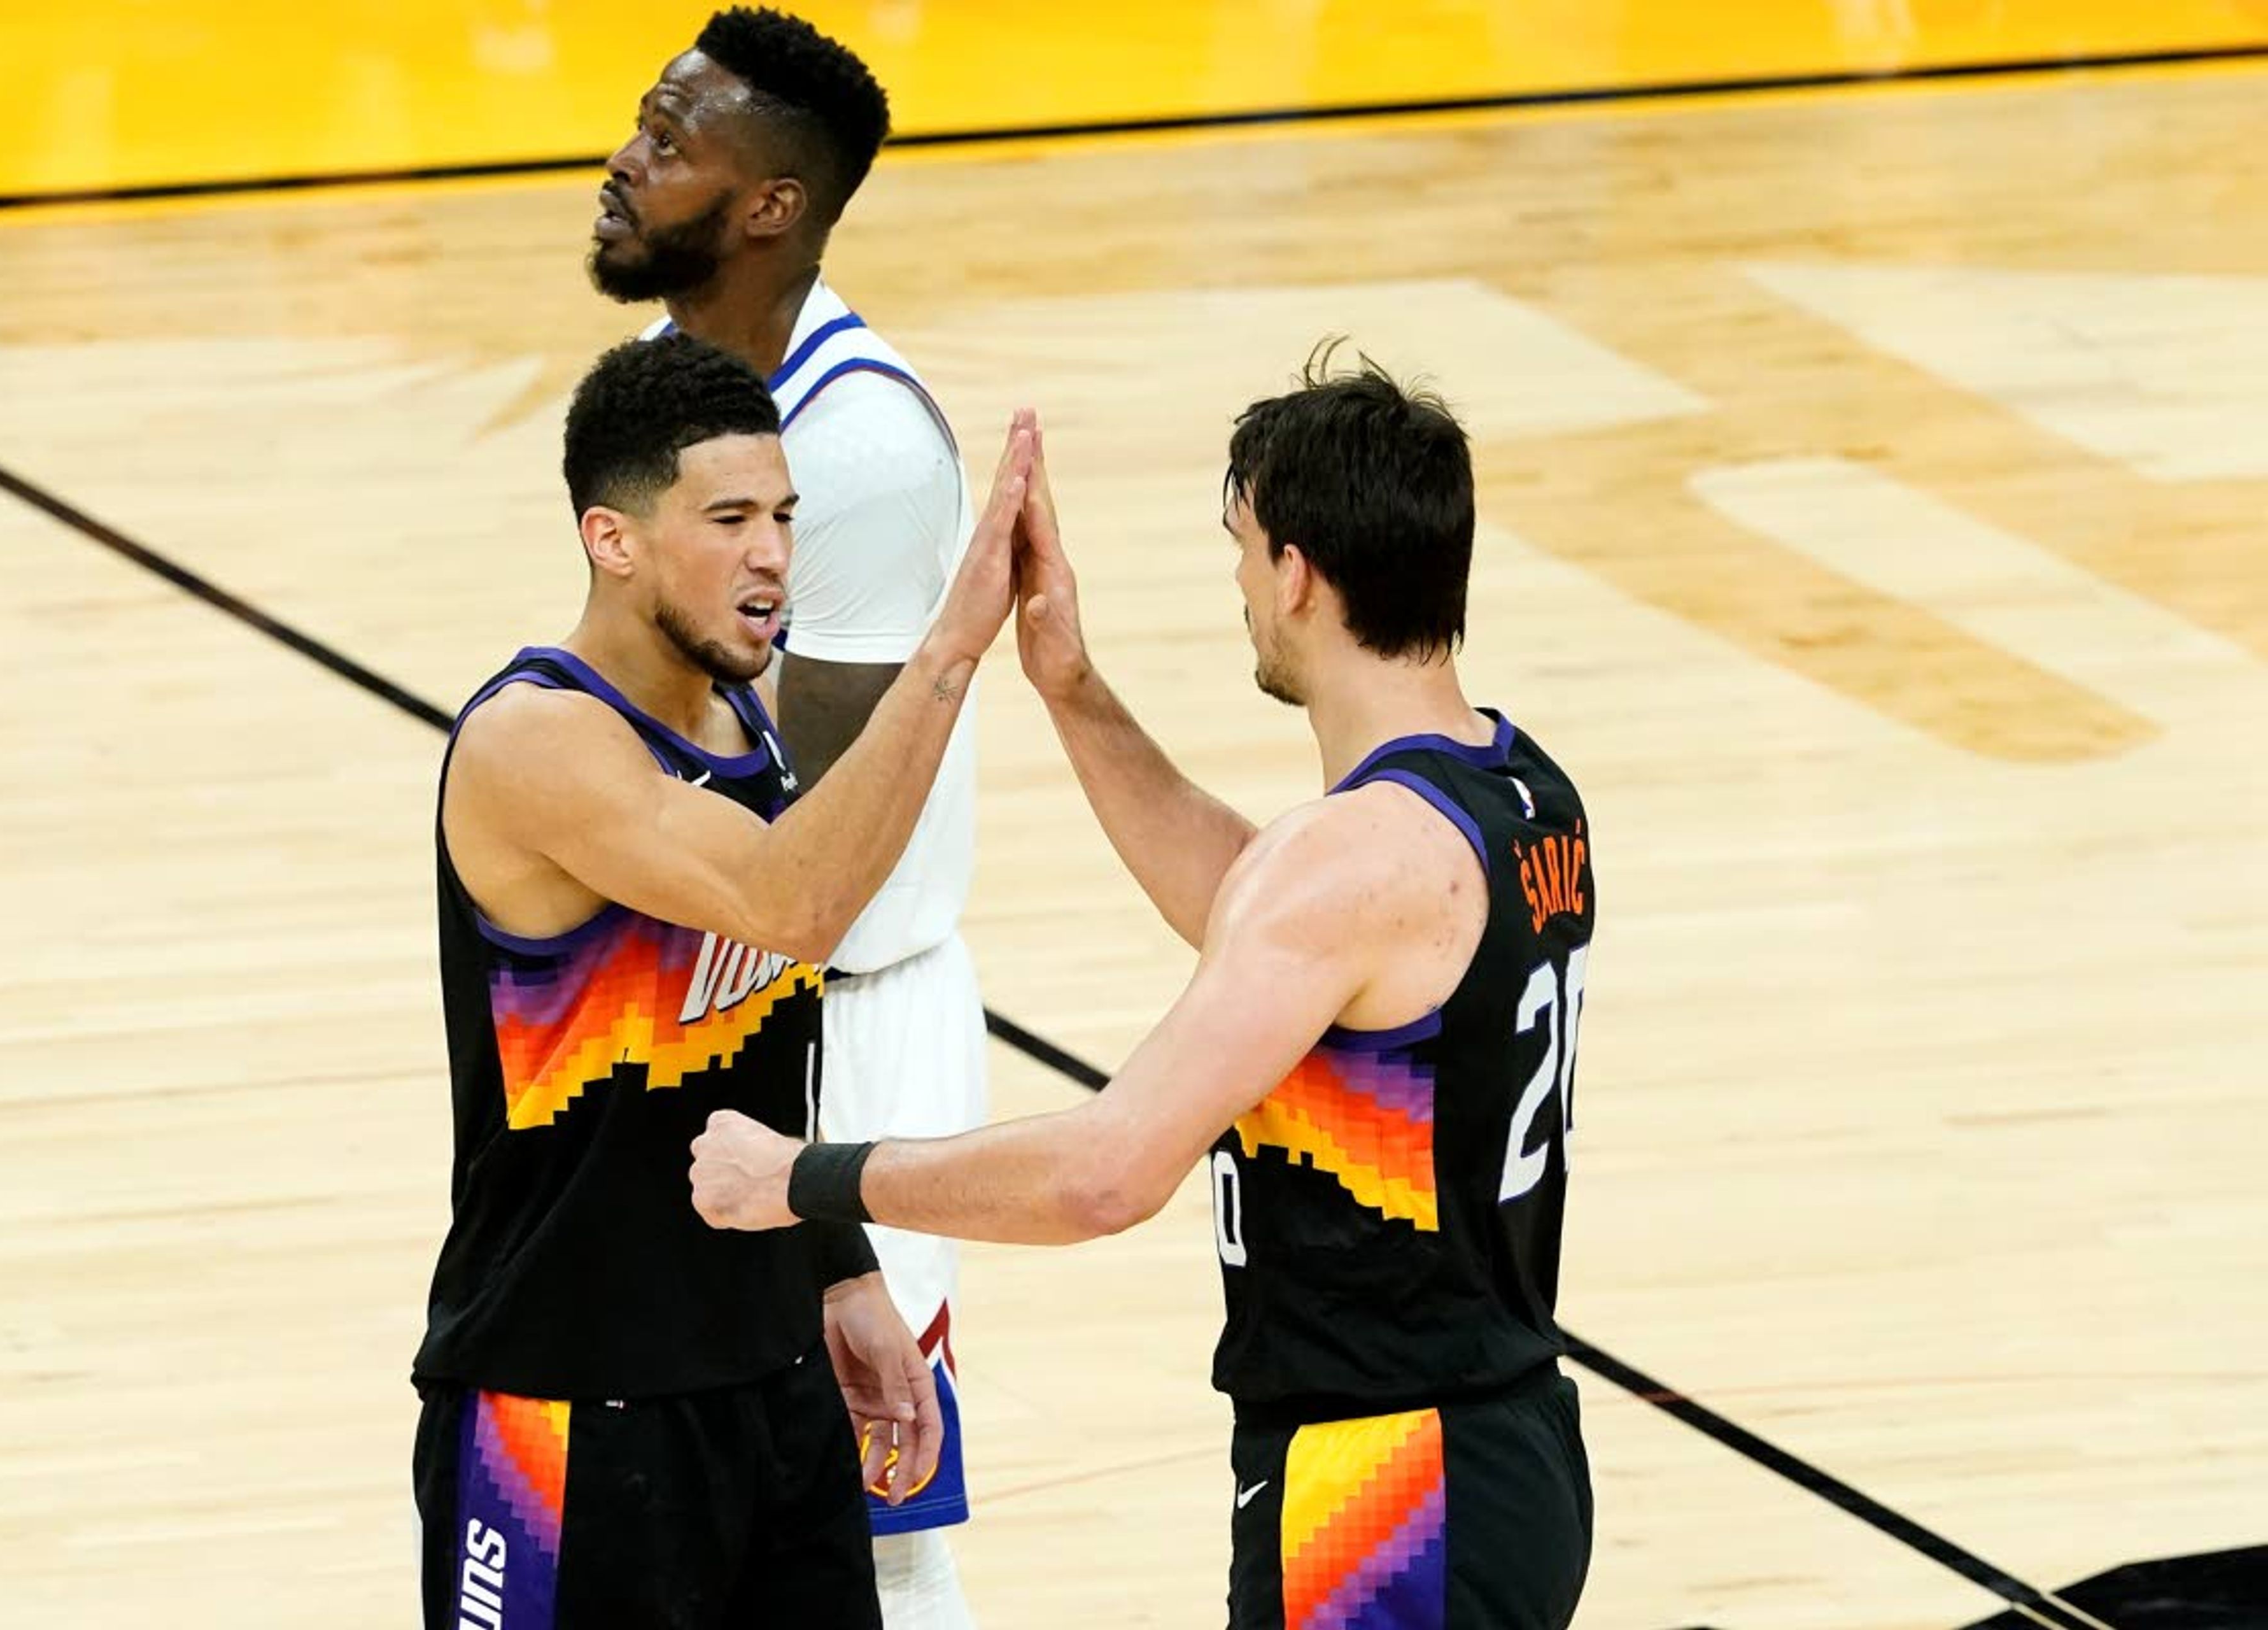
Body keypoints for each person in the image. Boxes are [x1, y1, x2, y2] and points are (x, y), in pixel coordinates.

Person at [693, 351, 1598, 1629]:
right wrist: (1068, 682)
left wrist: (802, 1179)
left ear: (1296, 571)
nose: (1240, 586)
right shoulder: (1516, 791)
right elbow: (1266, 921)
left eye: (1243, 550)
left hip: (1388, 1486)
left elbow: (1104, 1172)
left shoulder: (1348, 866)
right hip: (1504, 1446)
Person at [412, 329, 1034, 1630]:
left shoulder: (740, 721)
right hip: (570, 1403)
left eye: (788, 517)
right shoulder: (541, 741)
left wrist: (846, 1273)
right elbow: (795, 905)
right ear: (613, 537)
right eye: (732, 517)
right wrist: (950, 649)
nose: (772, 554)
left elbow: (757, 1059)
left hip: (770, 1380)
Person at [589, 11, 990, 1623]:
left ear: (769, 206)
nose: (626, 158)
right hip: (707, 996)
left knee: (877, 1517)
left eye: (672, 143)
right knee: (702, 1493)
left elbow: (817, 829)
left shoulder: (862, 446)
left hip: (851, 1017)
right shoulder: (652, 384)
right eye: (643, 119)